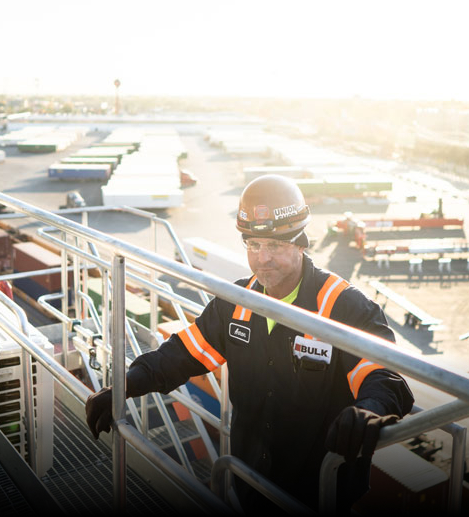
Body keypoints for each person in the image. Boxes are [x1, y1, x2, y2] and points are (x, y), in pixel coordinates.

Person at [86, 174, 414, 513]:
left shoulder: (342, 306)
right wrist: (125, 386)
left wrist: (369, 410)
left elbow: (384, 376)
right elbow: (182, 354)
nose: (262, 259)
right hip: (250, 483)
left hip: (320, 493)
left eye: (274, 245)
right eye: (253, 245)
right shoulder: (236, 302)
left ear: (301, 243)